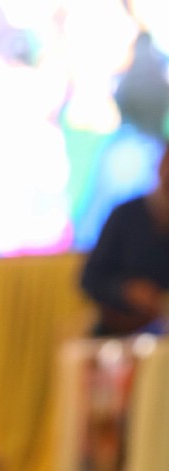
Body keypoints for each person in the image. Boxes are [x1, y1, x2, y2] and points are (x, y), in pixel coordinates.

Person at [81, 141, 169, 337]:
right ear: (160, 166)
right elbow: (89, 278)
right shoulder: (126, 215)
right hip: (122, 334)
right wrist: (126, 291)